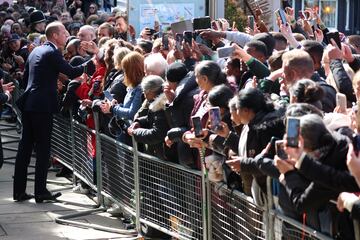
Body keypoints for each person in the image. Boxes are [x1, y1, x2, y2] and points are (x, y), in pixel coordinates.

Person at [13, 22, 90, 203]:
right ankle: (40, 191)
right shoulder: (51, 52)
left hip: (30, 104)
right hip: (42, 107)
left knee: (24, 149)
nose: (66, 36)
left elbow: (25, 81)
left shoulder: (36, 51)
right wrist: (93, 61)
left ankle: (19, 191)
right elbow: (72, 71)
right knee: (43, 148)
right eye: (64, 33)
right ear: (55, 35)